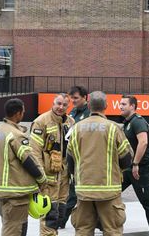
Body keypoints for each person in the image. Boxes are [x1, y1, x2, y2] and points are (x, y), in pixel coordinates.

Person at [66, 91, 133, 235]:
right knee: (112, 230)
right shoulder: (113, 128)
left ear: (89, 105)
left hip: (83, 190)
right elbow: (127, 159)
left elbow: (69, 160)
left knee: (83, 229)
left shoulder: (76, 128)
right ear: (106, 106)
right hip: (108, 190)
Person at [0, 98, 48, 236]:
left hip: (1, 190)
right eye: (23, 111)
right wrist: (42, 179)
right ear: (18, 113)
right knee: (15, 229)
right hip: (16, 192)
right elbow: (28, 160)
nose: (23, 114)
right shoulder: (16, 135)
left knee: (8, 225)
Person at [29, 93, 74, 235]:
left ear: (68, 106)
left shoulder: (71, 122)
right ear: (53, 103)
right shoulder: (41, 122)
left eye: (64, 105)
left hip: (65, 177)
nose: (61, 107)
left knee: (60, 213)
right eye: (58, 103)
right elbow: (34, 151)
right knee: (49, 214)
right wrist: (40, 176)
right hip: (48, 178)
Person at [119, 95, 149, 236]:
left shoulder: (138, 122)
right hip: (128, 169)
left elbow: (143, 142)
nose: (121, 106)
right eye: (120, 103)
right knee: (111, 192)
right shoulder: (127, 123)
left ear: (133, 106)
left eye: (124, 104)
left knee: (148, 202)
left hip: (140, 169)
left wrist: (136, 163)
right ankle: (102, 224)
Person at [58, 85, 91, 229]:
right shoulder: (72, 111)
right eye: (71, 98)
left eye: (76, 98)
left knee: (73, 192)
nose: (73, 100)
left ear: (85, 98)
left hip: (84, 158)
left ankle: (61, 220)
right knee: (70, 191)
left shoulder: (89, 113)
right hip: (71, 156)